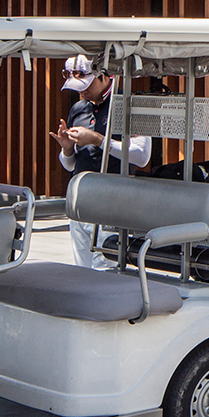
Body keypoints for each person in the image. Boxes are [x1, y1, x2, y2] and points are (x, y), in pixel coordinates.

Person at [52, 54, 151, 266]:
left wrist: (98, 139)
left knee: (105, 265)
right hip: (81, 198)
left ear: (104, 76)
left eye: (87, 85)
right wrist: (67, 149)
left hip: (113, 200)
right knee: (82, 268)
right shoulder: (79, 108)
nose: (82, 92)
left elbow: (142, 156)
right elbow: (70, 165)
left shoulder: (130, 104)